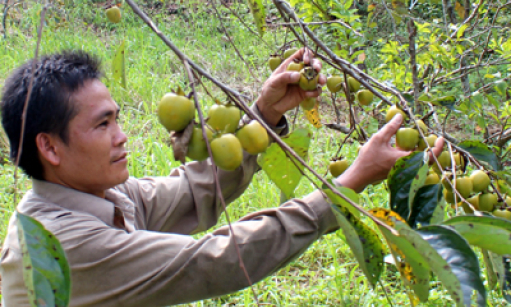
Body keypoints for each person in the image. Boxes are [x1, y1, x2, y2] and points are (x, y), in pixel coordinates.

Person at [0, 49, 444, 307]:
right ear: (49, 147)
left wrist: (265, 115)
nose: (122, 136)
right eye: (103, 125)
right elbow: (216, 259)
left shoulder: (99, 193)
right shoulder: (62, 244)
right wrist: (347, 186)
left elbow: (192, 191)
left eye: (117, 119)